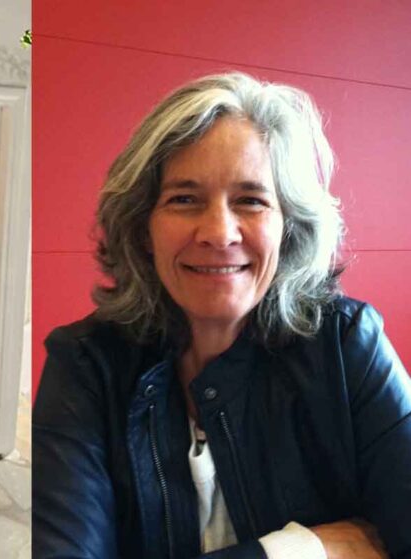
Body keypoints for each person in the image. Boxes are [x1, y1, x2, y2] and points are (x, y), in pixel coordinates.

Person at [33, 73, 411, 559]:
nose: (218, 232)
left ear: (288, 227)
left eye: (251, 200)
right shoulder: (85, 365)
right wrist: (300, 550)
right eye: (184, 199)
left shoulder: (348, 344)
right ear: (143, 226)